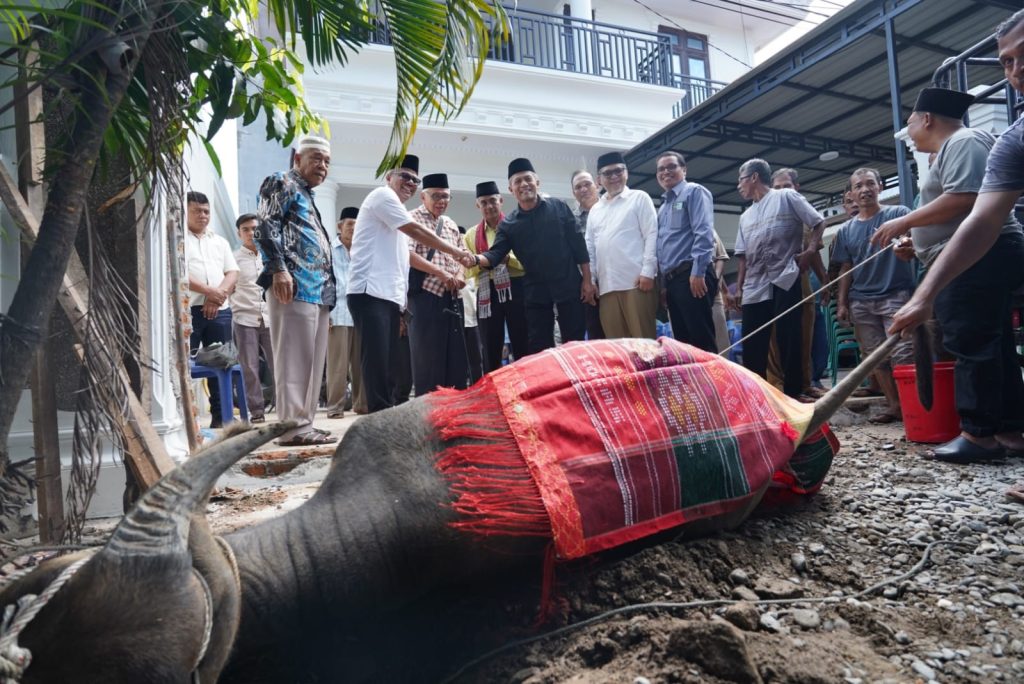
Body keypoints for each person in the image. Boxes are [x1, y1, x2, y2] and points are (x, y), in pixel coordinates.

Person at [881, 48, 1024, 466]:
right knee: (991, 344)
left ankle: (978, 435)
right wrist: (920, 241)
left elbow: (966, 200)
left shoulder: (962, 140)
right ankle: (1009, 429)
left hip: (978, 256)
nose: (909, 131)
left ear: (926, 119)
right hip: (973, 257)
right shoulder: (955, 147)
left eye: (909, 122)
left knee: (971, 342)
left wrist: (904, 222)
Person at [347, 155, 475, 412]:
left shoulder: (397, 210)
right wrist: (457, 253)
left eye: (415, 179)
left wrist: (402, 304)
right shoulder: (383, 197)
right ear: (389, 177)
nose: (410, 182)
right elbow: (417, 233)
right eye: (404, 176)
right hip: (369, 291)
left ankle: (385, 415)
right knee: (377, 361)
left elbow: (399, 260)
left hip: (390, 296)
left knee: (391, 363)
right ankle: (378, 420)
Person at [255, 134, 337, 446]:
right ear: (297, 158)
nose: (323, 166)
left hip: (316, 292)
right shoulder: (282, 181)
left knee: (313, 364)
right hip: (293, 285)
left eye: (327, 161)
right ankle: (291, 429)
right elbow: (265, 224)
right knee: (293, 361)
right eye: (316, 158)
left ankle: (304, 425)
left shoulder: (307, 194)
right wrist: (278, 269)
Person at [475, 158, 595, 353]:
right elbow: (495, 254)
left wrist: (587, 281)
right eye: (517, 182)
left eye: (527, 179)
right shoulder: (508, 225)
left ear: (537, 182)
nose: (524, 184)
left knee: (575, 345)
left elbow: (578, 246)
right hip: (535, 294)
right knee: (540, 348)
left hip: (569, 287)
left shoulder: (559, 207)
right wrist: (473, 259)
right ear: (511, 189)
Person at [735, 158, 825, 398]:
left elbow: (818, 222)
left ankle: (794, 393)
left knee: (789, 337)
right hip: (755, 285)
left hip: (785, 276)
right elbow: (742, 256)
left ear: (754, 177)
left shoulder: (787, 197)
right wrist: (739, 287)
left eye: (741, 180)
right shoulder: (745, 216)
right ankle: (757, 394)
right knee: (753, 340)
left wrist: (810, 251)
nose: (738, 186)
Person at [831, 168, 916, 423]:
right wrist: (842, 302)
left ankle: (915, 407)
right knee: (875, 356)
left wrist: (908, 245)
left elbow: (917, 240)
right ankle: (895, 407)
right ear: (851, 194)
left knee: (905, 353)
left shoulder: (898, 214)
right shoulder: (845, 230)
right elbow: (846, 267)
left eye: (870, 183)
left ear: (880, 186)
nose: (865, 189)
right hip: (862, 301)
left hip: (897, 295)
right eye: (859, 186)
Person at [768, 168, 830, 399]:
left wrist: (824, 279)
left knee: (804, 332)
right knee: (775, 336)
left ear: (796, 188)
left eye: (786, 186)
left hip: (800, 282)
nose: (782, 192)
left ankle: (805, 382)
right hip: (771, 284)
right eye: (777, 188)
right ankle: (776, 383)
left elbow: (813, 253)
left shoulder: (804, 215)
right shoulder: (767, 213)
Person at [585, 151, 659, 338]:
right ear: (599, 180)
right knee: (617, 348)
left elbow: (651, 234)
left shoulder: (639, 198)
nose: (614, 177)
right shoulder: (595, 210)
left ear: (626, 173)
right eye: (608, 174)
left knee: (644, 345)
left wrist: (648, 272)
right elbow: (590, 248)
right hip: (607, 287)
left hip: (636, 283)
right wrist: (592, 280)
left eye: (619, 171)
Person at [407, 173, 469, 395]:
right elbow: (407, 254)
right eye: (436, 196)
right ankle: (428, 413)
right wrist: (439, 272)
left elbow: (463, 255)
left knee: (455, 360)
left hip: (452, 298)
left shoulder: (450, 224)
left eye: (446, 196)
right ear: (423, 197)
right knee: (427, 359)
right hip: (426, 298)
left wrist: (460, 274)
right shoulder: (411, 218)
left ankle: (452, 411)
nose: (441, 201)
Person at [185, 191, 239, 428]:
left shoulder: (220, 241)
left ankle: (222, 416)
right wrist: (209, 292)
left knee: (222, 361)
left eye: (206, 211)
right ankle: (186, 417)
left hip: (220, 310)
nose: (203, 215)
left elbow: (232, 272)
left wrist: (217, 297)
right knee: (186, 363)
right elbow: (179, 273)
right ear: (185, 211)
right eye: (197, 210)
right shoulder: (178, 239)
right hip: (189, 311)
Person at [655, 150, 718, 352]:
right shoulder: (663, 207)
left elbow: (704, 232)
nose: (666, 172)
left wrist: (698, 272)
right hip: (674, 282)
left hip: (692, 275)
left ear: (684, 169)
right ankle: (692, 385)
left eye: (671, 166)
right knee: (683, 344)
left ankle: (711, 384)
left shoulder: (694, 191)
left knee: (701, 339)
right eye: (661, 169)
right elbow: (662, 249)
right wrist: (664, 286)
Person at [464, 181, 528, 372]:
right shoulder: (471, 234)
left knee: (521, 340)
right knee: (489, 345)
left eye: (493, 201)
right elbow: (468, 271)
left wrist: (506, 259)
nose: (489, 206)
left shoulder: (515, 225)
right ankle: (492, 391)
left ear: (501, 200)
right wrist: (485, 262)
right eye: (484, 202)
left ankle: (526, 386)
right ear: (478, 206)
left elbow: (527, 262)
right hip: (486, 292)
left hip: (516, 287)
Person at [231, 213, 273, 424]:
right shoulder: (232, 259)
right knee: (249, 367)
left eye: (254, 228)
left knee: (280, 365)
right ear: (239, 233)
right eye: (245, 229)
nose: (250, 233)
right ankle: (257, 411)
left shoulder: (271, 256)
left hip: (271, 318)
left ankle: (285, 406)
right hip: (244, 318)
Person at [325, 207, 362, 419]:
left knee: (360, 365)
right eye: (349, 225)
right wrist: (325, 312)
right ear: (340, 226)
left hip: (360, 313)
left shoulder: (363, 249)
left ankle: (361, 405)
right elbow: (323, 281)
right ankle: (335, 408)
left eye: (357, 226)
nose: (353, 230)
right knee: (337, 365)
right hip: (337, 313)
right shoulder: (329, 249)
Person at [571, 170, 605, 341]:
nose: (583, 189)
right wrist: (588, 282)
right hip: (588, 288)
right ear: (573, 193)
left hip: (617, 282)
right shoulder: (570, 220)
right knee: (596, 338)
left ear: (597, 185)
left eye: (587, 184)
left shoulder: (611, 209)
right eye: (578, 187)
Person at [710, 231, 731, 352]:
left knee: (721, 342)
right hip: (681, 289)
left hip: (712, 292)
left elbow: (720, 257)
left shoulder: (709, 227)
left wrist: (725, 291)